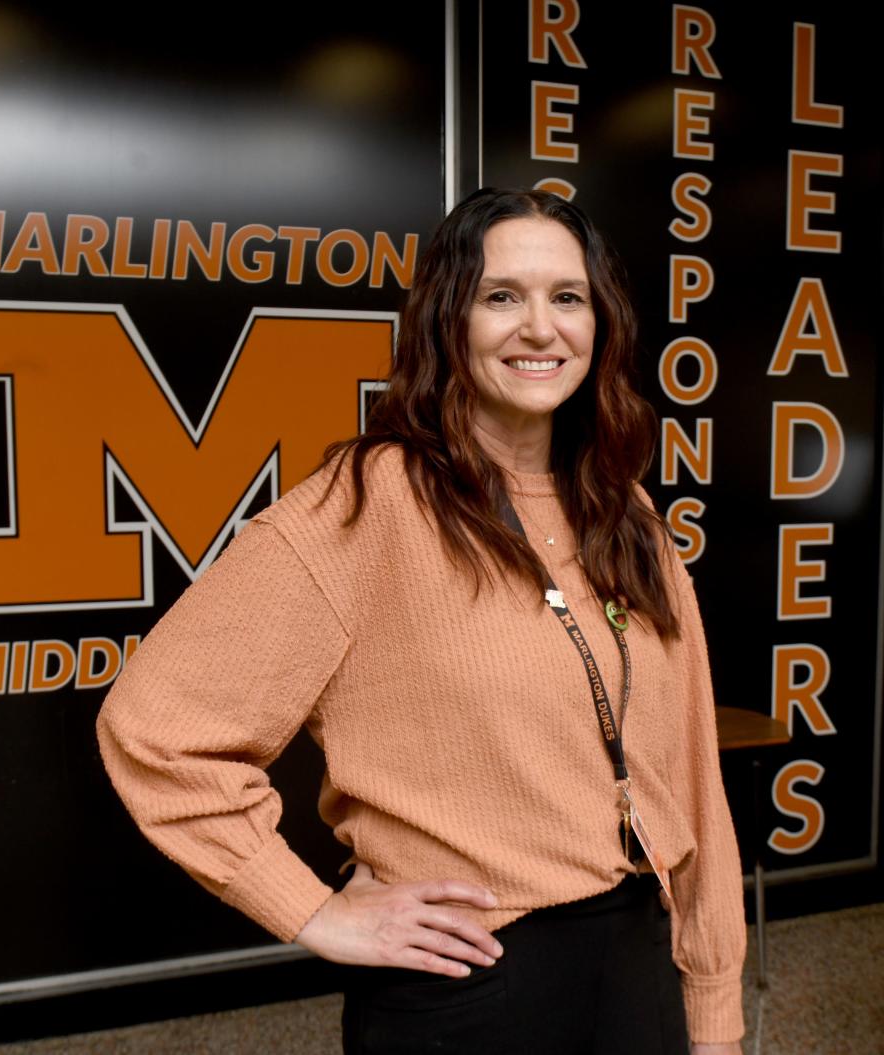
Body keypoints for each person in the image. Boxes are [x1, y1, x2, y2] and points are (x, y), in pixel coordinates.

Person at [97, 188, 746, 1054]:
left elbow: (691, 776)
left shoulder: (624, 514)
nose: (540, 328)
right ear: (448, 318)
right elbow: (156, 729)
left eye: (567, 297)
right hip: (467, 983)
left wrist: (713, 1007)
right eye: (501, 296)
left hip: (638, 963)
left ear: (602, 324)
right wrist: (314, 911)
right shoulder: (364, 509)